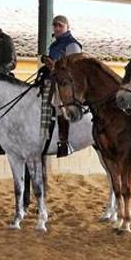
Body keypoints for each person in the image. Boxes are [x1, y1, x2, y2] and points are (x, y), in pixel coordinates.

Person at [43, 15, 83, 157]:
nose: (57, 28)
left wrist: (54, 66)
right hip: (53, 81)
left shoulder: (71, 45)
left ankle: (64, 142)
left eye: (60, 25)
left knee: (59, 106)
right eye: (55, 26)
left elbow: (75, 69)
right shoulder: (54, 45)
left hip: (67, 85)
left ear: (67, 26)